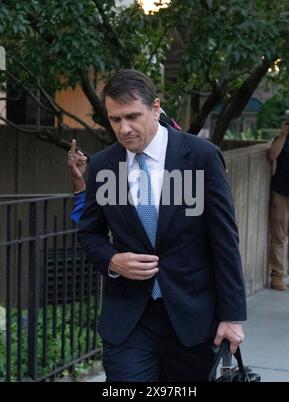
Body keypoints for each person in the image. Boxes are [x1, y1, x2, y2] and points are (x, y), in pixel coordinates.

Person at [77, 69, 246, 382]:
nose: (124, 129)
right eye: (115, 120)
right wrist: (113, 260)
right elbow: (89, 233)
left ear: (155, 108)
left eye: (132, 116)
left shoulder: (201, 157)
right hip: (129, 321)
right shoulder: (103, 166)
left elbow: (224, 240)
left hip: (192, 320)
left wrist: (232, 316)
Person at [268, 107, 289, 291]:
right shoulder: (283, 139)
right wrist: (283, 134)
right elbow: (272, 155)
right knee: (278, 236)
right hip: (281, 194)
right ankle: (277, 275)